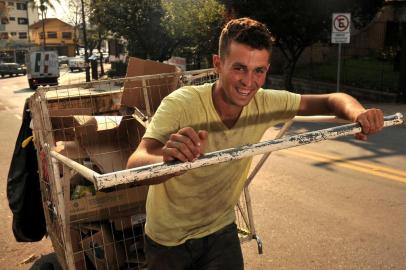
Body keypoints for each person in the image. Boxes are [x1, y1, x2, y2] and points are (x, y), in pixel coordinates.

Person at [127, 17, 384, 270]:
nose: (248, 82)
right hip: (168, 239)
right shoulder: (181, 103)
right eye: (239, 68)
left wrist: (357, 113)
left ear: (266, 70)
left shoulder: (265, 102)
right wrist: (168, 161)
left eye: (258, 71)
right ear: (218, 64)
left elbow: (331, 99)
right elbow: (135, 163)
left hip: (220, 229)